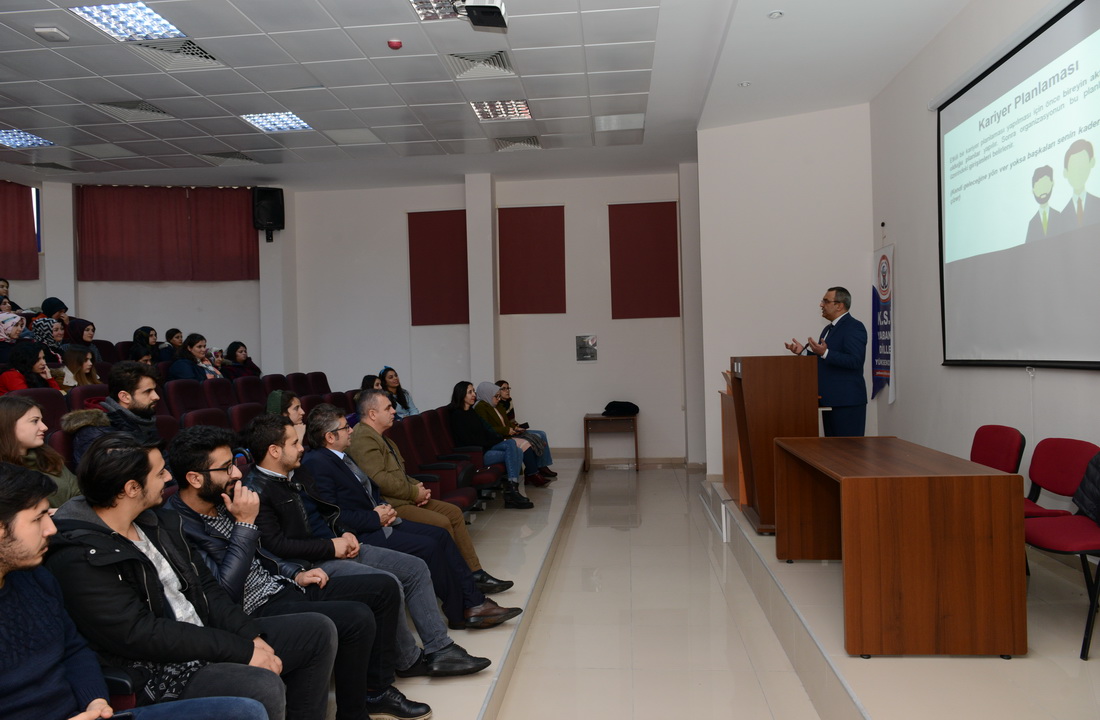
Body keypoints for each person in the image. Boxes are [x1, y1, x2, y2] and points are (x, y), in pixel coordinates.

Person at [46, 433, 339, 720]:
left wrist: (249, 635)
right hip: (159, 669)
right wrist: (241, 649)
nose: (168, 479)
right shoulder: (79, 555)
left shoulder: (157, 521)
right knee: (262, 684)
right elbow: (142, 633)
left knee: (317, 631)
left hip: (204, 635)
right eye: (160, 473)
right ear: (132, 488)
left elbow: (207, 588)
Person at [164, 426, 433, 720]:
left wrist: (294, 573)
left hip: (278, 586)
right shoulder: (179, 526)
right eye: (226, 468)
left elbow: (263, 553)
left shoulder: (224, 500)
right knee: (355, 617)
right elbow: (224, 593)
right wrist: (245, 525)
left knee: (382, 588)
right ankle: (356, 711)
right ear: (194, 478)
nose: (237, 474)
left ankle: (375, 693)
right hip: (251, 611)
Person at [0, 462, 270, 720]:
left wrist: (95, 699)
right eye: (38, 519)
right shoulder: (71, 558)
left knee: (246, 711)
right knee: (255, 692)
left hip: (90, 711)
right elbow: (140, 632)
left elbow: (73, 649)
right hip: (145, 673)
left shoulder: (35, 578)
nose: (51, 528)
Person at [241, 414, 503, 674]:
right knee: (390, 582)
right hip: (312, 565)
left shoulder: (297, 473)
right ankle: (409, 660)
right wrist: (331, 546)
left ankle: (440, 648)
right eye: (294, 443)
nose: (302, 447)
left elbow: (328, 511)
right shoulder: (256, 491)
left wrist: (345, 533)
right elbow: (277, 546)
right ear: (274, 451)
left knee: (416, 567)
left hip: (336, 546)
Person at [303, 403, 515, 616]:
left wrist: (383, 508)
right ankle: (461, 610)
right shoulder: (318, 463)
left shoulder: (340, 456)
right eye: (345, 428)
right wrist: (375, 517)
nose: (350, 430)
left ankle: (474, 600)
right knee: (430, 546)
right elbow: (334, 516)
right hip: (363, 533)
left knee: (440, 535)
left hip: (379, 520)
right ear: (330, 437)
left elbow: (368, 491)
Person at [349, 389, 524, 556]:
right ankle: (456, 573)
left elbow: (398, 473)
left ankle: (473, 570)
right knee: (442, 522)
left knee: (454, 512)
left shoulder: (382, 437)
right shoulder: (363, 438)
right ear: (372, 414)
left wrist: (418, 486)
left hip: (405, 496)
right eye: (388, 408)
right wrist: (414, 492)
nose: (394, 411)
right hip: (393, 504)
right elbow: (379, 479)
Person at [784, 286, 868, 437]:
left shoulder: (854, 327)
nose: (821, 305)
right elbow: (824, 360)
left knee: (849, 450)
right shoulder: (828, 329)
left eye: (826, 301)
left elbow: (855, 360)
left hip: (847, 402)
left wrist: (825, 353)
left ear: (839, 305)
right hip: (830, 401)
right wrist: (803, 352)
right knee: (831, 450)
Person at [448, 382, 535, 507]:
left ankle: (511, 491)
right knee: (513, 448)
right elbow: (469, 441)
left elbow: (486, 430)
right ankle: (511, 493)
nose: (474, 395)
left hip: (485, 447)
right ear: (461, 394)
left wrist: (498, 438)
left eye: (473, 391)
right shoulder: (457, 415)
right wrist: (495, 440)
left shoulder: (471, 412)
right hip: (476, 454)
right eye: (470, 392)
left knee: (514, 447)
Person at [66, 361, 161, 465]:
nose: (156, 396)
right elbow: (109, 474)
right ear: (124, 397)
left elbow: (161, 463)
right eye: (148, 391)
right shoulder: (96, 432)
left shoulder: (143, 419)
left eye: (154, 390)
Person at [0, 395, 78, 507]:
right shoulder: (4, 472)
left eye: (41, 420)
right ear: (7, 425)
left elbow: (80, 493)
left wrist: (64, 511)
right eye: (35, 421)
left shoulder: (47, 457)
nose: (44, 427)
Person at [479, 381, 557, 483]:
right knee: (526, 443)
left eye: (508, 388)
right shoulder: (481, 407)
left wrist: (515, 428)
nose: (499, 398)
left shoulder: (496, 405)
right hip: (497, 438)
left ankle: (536, 471)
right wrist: (508, 430)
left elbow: (507, 422)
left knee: (537, 437)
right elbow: (487, 428)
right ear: (488, 394)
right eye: (496, 396)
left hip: (507, 433)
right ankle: (533, 474)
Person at [1052, 138, 1100, 233]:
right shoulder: (1061, 217)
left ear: (1091, 163)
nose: (1078, 171)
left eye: (1082, 164)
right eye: (1073, 167)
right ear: (1066, 173)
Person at [1025, 165, 1061, 243]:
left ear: (1052, 183)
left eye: (1045, 184)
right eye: (1038, 186)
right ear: (1033, 190)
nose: (1042, 190)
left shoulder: (1059, 216)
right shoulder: (1032, 223)